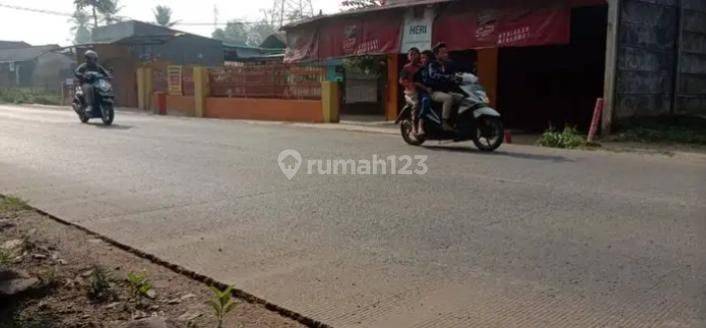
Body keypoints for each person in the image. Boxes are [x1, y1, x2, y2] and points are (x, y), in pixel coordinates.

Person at [423, 43, 463, 131]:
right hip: (434, 91)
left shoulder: (448, 64)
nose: (446, 54)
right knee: (448, 98)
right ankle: (444, 122)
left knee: (462, 98)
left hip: (446, 90)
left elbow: (455, 73)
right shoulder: (432, 65)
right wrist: (447, 77)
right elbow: (434, 75)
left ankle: (457, 120)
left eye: (446, 52)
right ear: (436, 55)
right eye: (443, 53)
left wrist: (460, 76)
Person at [399, 47, 430, 136]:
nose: (413, 56)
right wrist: (411, 85)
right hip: (411, 92)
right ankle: (414, 127)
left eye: (415, 54)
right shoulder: (406, 68)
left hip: (421, 90)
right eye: (411, 54)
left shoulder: (422, 67)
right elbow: (401, 81)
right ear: (408, 56)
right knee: (416, 104)